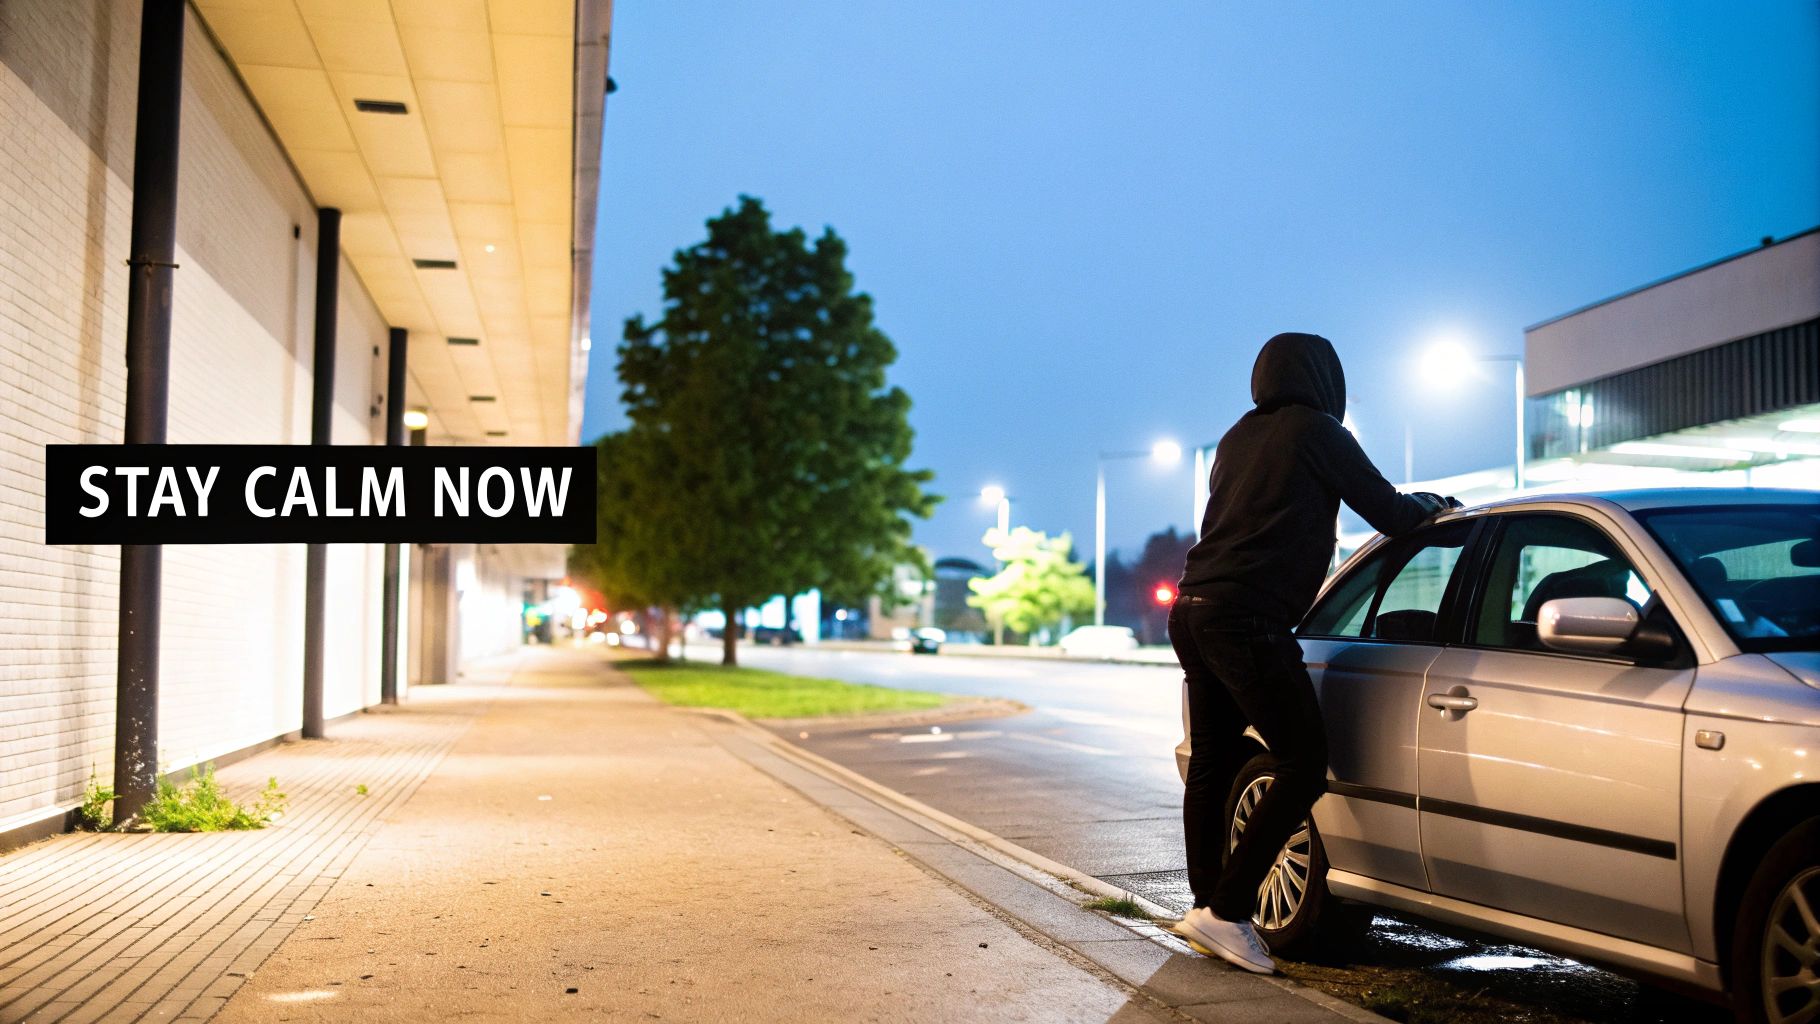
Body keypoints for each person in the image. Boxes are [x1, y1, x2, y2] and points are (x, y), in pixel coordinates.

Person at [1169, 332, 1452, 974]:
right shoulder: (1317, 430)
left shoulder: (1239, 436)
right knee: (1303, 762)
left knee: (1212, 759)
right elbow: (1388, 511)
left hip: (1192, 608)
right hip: (1246, 617)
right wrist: (1430, 506)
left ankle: (1207, 904)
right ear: (1326, 380)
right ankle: (1228, 911)